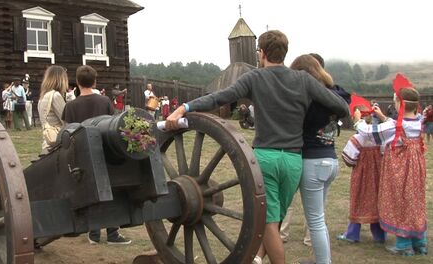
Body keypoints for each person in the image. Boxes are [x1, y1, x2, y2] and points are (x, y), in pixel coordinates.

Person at [164, 30, 349, 264]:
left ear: (261, 53)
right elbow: (340, 105)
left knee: (270, 224)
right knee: (276, 219)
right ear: (285, 52)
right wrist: (315, 123)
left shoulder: (255, 78)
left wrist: (185, 108)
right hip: (293, 161)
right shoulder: (303, 80)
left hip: (266, 159)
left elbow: (220, 97)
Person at [354, 77, 427, 256]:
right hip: (416, 170)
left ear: (398, 104)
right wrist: (383, 117)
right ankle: (420, 242)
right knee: (414, 201)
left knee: (399, 200)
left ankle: (403, 245)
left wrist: (358, 121)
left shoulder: (393, 126)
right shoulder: (419, 121)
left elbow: (369, 132)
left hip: (398, 171)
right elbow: (399, 125)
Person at [291, 54, 351, 264]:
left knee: (315, 220)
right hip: (330, 159)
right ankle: (321, 260)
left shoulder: (310, 99)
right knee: (319, 218)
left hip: (312, 162)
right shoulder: (336, 96)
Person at [62, 65, 131, 245]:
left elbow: (67, 133)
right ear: (95, 81)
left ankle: (94, 234)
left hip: (83, 156)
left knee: (91, 191)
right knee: (111, 191)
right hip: (106, 151)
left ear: (77, 83)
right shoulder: (105, 101)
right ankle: (113, 234)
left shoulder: (70, 106)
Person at [338, 106, 385, 244]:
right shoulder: (379, 138)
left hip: (361, 176)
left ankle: (353, 233)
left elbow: (348, 158)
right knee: (376, 201)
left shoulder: (357, 139)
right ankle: (379, 234)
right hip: (377, 176)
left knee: (358, 199)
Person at [37, 66, 67, 154]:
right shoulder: (56, 95)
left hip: (47, 141)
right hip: (57, 142)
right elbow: (65, 120)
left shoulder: (42, 97)